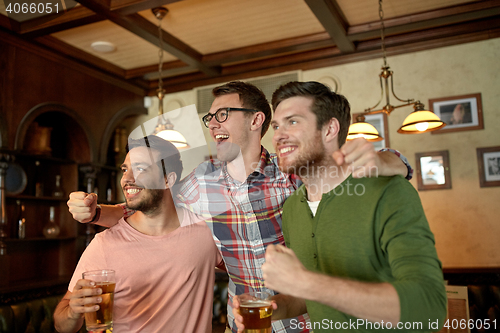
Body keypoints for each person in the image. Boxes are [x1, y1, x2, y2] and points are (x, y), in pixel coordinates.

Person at [67, 81, 412, 333]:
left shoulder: (288, 171)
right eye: (210, 117)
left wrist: (392, 162)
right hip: (245, 321)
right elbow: (146, 204)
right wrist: (96, 212)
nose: (213, 123)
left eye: (222, 114)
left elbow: (374, 164)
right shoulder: (202, 181)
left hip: (303, 319)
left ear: (255, 120)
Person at [232, 81, 447, 332]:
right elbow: (311, 297)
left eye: (293, 122)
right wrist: (272, 307)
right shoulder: (292, 209)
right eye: (277, 125)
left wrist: (306, 282)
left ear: (330, 129)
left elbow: (429, 307)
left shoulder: (389, 192)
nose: (278, 135)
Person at [54, 135, 223, 333]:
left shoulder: (206, 233)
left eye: (141, 168)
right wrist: (73, 312)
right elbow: (61, 324)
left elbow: (248, 272)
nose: (127, 179)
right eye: (125, 170)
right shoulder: (104, 244)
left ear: (168, 180)